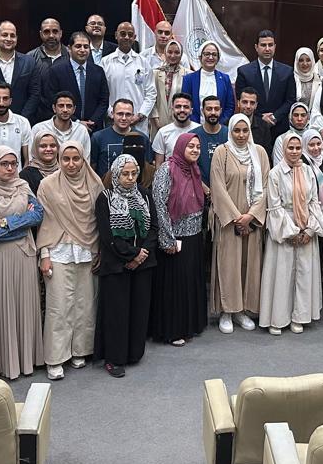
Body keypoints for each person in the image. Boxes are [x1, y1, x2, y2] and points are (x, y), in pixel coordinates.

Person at [0, 147, 45, 379]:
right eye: (4, 164)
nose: (10, 168)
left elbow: (38, 215)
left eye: (13, 163)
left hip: (24, 256)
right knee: (1, 308)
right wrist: (21, 224)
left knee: (24, 306)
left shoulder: (22, 186)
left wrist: (5, 222)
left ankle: (26, 360)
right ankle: (1, 363)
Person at [35, 141, 104, 381]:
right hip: (57, 250)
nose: (71, 164)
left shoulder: (95, 183)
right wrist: (44, 255)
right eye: (66, 159)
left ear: (83, 159)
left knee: (85, 304)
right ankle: (55, 358)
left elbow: (99, 221)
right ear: (59, 160)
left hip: (87, 250)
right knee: (59, 306)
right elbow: (44, 222)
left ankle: (79, 350)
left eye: (76, 159)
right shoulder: (47, 185)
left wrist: (99, 251)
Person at [94, 154, 158, 377]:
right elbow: (107, 236)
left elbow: (153, 228)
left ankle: (133, 353)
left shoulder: (144, 194)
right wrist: (131, 255)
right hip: (116, 265)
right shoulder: (105, 198)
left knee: (138, 310)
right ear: (116, 174)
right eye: (125, 174)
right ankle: (114, 359)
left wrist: (141, 254)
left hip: (143, 263)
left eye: (134, 173)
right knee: (117, 313)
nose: (130, 178)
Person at [259, 133, 323, 335]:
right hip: (284, 228)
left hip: (306, 226)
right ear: (283, 149)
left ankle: (299, 316)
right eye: (291, 148)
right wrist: (292, 232)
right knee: (282, 274)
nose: (295, 152)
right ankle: (278, 318)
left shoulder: (307, 171)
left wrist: (310, 229)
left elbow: (314, 201)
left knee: (304, 274)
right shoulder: (275, 174)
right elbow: (274, 206)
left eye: (298, 148)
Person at [210, 114, 269, 333]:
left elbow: (266, 186)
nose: (241, 135)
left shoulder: (259, 152)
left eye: (245, 130)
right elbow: (217, 187)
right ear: (230, 131)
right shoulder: (222, 152)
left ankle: (242, 310)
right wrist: (237, 218)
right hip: (228, 220)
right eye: (237, 130)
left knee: (249, 264)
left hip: (252, 219)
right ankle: (227, 310)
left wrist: (250, 217)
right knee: (228, 264)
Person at [150, 133, 208, 345]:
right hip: (174, 238)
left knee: (189, 283)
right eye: (190, 146)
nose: (195, 150)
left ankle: (189, 325)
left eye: (198, 147)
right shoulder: (167, 169)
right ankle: (173, 330)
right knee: (175, 286)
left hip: (193, 236)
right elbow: (159, 204)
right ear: (181, 147)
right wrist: (167, 239)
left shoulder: (194, 169)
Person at [44, 32, 110, 133]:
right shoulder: (56, 71)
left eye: (86, 47)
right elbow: (51, 99)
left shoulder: (98, 71)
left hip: (93, 128)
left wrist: (92, 122)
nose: (82, 50)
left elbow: (104, 100)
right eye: (78, 46)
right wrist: (77, 122)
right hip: (66, 126)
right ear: (69, 49)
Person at [234, 29, 295, 134]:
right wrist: (260, 117)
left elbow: (290, 100)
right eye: (263, 45)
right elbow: (242, 100)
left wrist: (275, 117)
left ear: (275, 47)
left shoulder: (287, 72)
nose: (267, 49)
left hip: (279, 127)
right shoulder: (244, 72)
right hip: (253, 127)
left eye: (270, 45)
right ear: (256, 47)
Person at [101, 22, 156, 134]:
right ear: (116, 35)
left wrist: (140, 115)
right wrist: (112, 113)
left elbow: (151, 92)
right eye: (123, 34)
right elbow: (101, 93)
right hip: (112, 121)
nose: (126, 37)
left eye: (130, 35)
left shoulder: (143, 62)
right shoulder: (105, 62)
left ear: (134, 38)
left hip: (138, 122)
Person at [0, 20, 34, 117]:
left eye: (12, 36)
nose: (9, 39)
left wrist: (22, 120)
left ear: (16, 38)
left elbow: (34, 94)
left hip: (22, 119)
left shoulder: (29, 62)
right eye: (4, 35)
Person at [90, 99, 150, 180]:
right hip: (105, 186)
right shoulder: (98, 137)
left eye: (128, 114)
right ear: (112, 114)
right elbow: (92, 168)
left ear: (132, 116)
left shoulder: (142, 138)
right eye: (120, 114)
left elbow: (147, 168)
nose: (124, 118)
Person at [25, 17, 67, 122]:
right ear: (41, 34)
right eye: (47, 32)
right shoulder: (30, 58)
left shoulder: (71, 56)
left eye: (55, 31)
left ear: (61, 33)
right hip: (38, 119)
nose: (51, 35)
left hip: (67, 117)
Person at [31, 92, 90, 163]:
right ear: (54, 108)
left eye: (69, 106)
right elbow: (32, 158)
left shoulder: (81, 130)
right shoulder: (39, 129)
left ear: (74, 109)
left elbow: (86, 160)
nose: (65, 110)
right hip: (44, 170)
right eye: (61, 106)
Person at [185, 41, 234, 123]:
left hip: (218, 126)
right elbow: (186, 104)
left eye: (214, 54)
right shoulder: (189, 79)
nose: (210, 57)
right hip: (195, 125)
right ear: (200, 57)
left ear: (218, 58)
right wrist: (195, 125)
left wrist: (220, 124)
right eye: (207, 54)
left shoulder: (225, 79)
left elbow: (230, 106)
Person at [148, 39, 187, 136]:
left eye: (177, 52)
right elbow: (151, 98)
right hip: (158, 122)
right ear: (165, 53)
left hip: (180, 122)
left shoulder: (188, 74)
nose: (173, 56)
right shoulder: (155, 73)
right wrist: (156, 120)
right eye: (170, 52)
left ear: (181, 54)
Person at [192, 95, 229, 186]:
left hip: (226, 187)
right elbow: (190, 167)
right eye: (209, 109)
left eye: (216, 109)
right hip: (199, 188)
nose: (213, 112)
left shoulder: (229, 134)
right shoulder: (193, 135)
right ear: (202, 111)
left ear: (221, 110)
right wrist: (206, 190)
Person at [152, 92, 195, 167]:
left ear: (191, 110)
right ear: (172, 109)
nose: (182, 110)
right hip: (170, 174)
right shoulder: (163, 132)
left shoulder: (199, 130)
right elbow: (159, 165)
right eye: (178, 107)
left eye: (186, 107)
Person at [236, 86, 272, 153]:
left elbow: (266, 153)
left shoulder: (263, 126)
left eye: (252, 103)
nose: (248, 106)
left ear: (256, 105)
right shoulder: (228, 125)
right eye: (245, 102)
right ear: (238, 103)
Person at [292, 47, 322, 116]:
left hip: (315, 119)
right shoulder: (291, 79)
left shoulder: (320, 80)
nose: (305, 63)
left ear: (312, 61)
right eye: (301, 60)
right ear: (296, 62)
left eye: (308, 60)